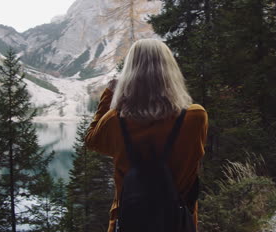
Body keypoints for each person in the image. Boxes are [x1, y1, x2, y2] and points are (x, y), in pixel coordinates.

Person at [85, 38, 208, 232]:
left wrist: (110, 95)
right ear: (171, 72)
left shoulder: (115, 120)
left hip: (128, 224)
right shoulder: (195, 117)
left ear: (130, 74)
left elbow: (92, 140)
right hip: (178, 224)